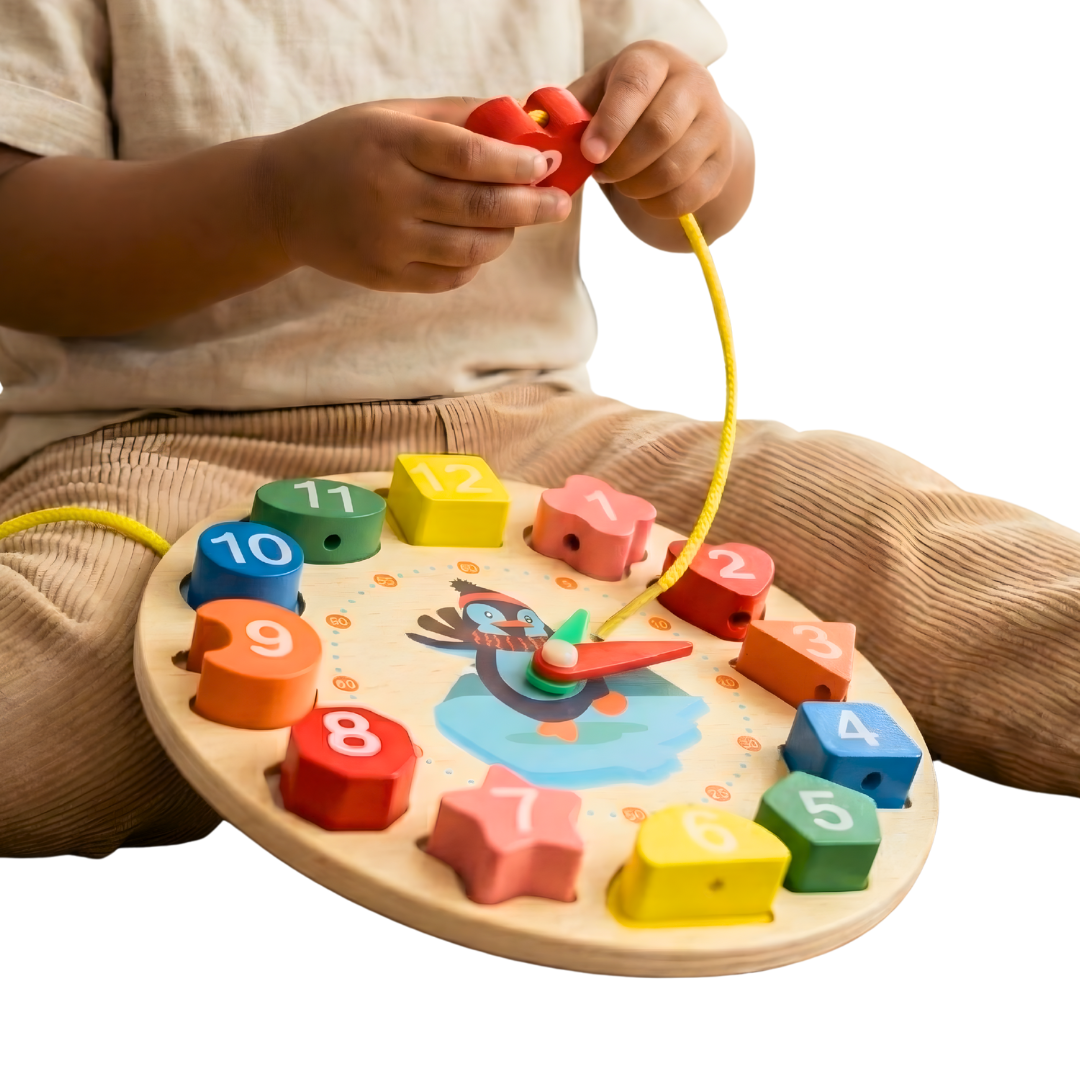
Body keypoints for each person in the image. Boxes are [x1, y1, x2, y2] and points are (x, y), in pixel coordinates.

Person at [0, 0, 1076, 858]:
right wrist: (274, 202)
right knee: (36, 694)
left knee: (874, 522)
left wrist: (692, 144)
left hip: (537, 446)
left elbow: (688, 201)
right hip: (166, 454)